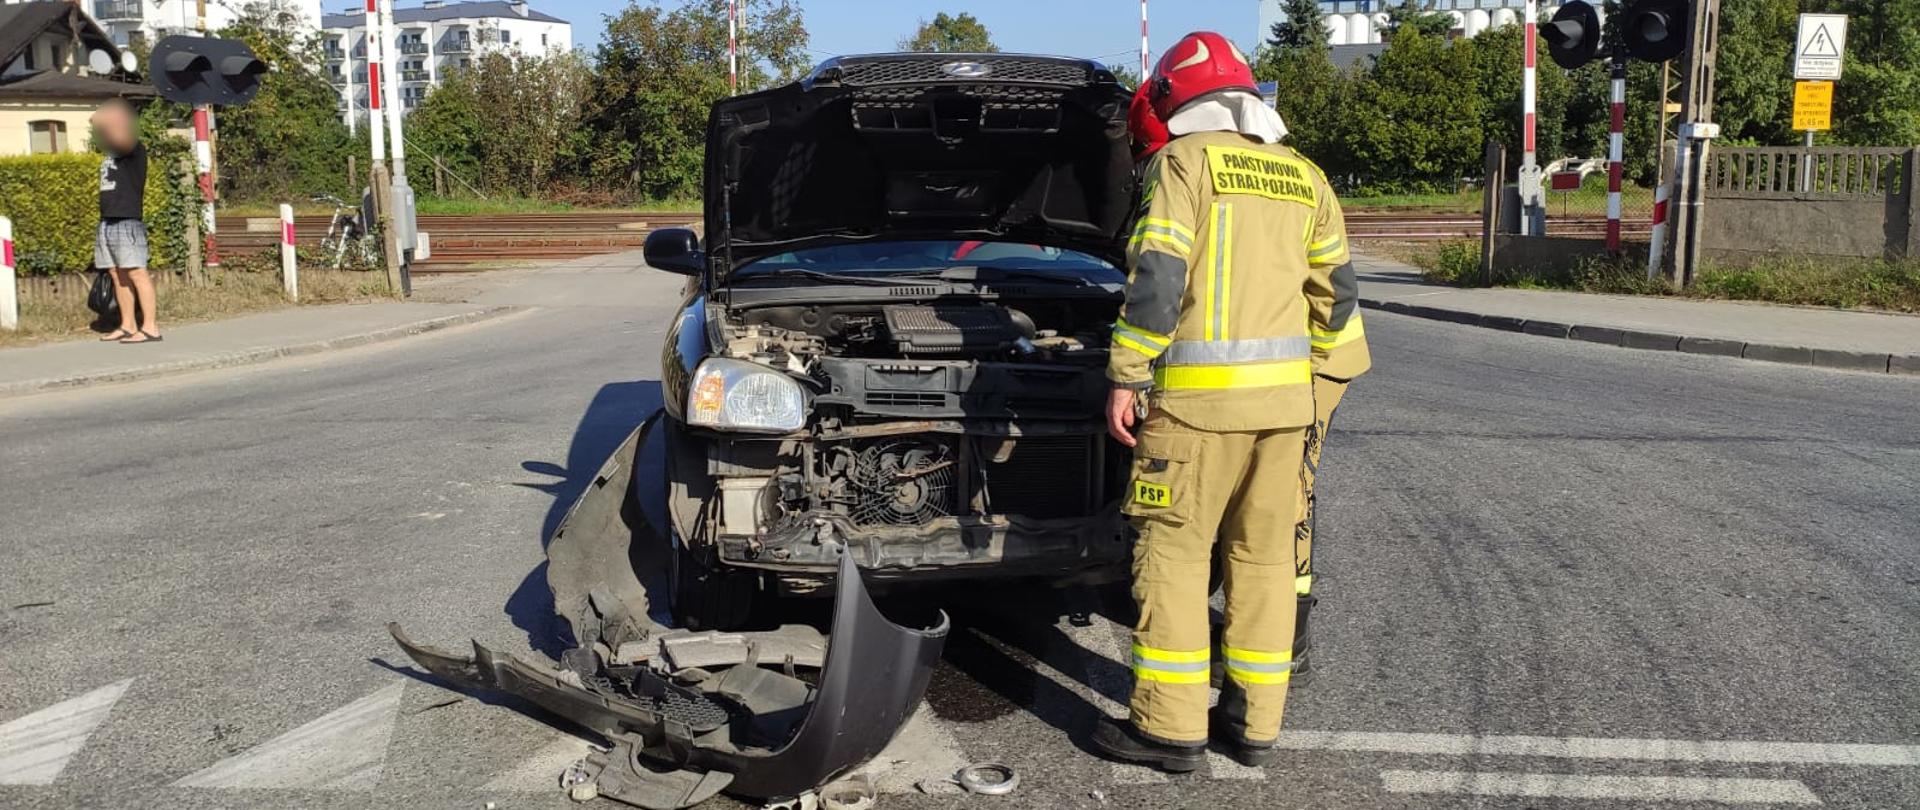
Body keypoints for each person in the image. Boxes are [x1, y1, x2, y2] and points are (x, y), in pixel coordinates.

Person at [1091, 31, 1368, 772]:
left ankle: (1168, 727)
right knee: (1265, 561)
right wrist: (1301, 381)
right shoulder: (1304, 174)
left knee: (1175, 558)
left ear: (1175, 101)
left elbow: (1158, 278)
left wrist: (1127, 373)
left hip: (1195, 414)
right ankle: (1252, 725)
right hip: (1285, 412)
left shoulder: (1185, 163)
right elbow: (1337, 300)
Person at [91, 99, 160, 344]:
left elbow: (119, 138)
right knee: (117, 274)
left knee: (137, 272)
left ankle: (151, 327)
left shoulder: (133, 146)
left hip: (127, 220)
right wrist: (101, 122)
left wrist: (105, 121)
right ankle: (128, 325)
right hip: (108, 220)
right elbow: (104, 135)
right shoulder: (111, 149)